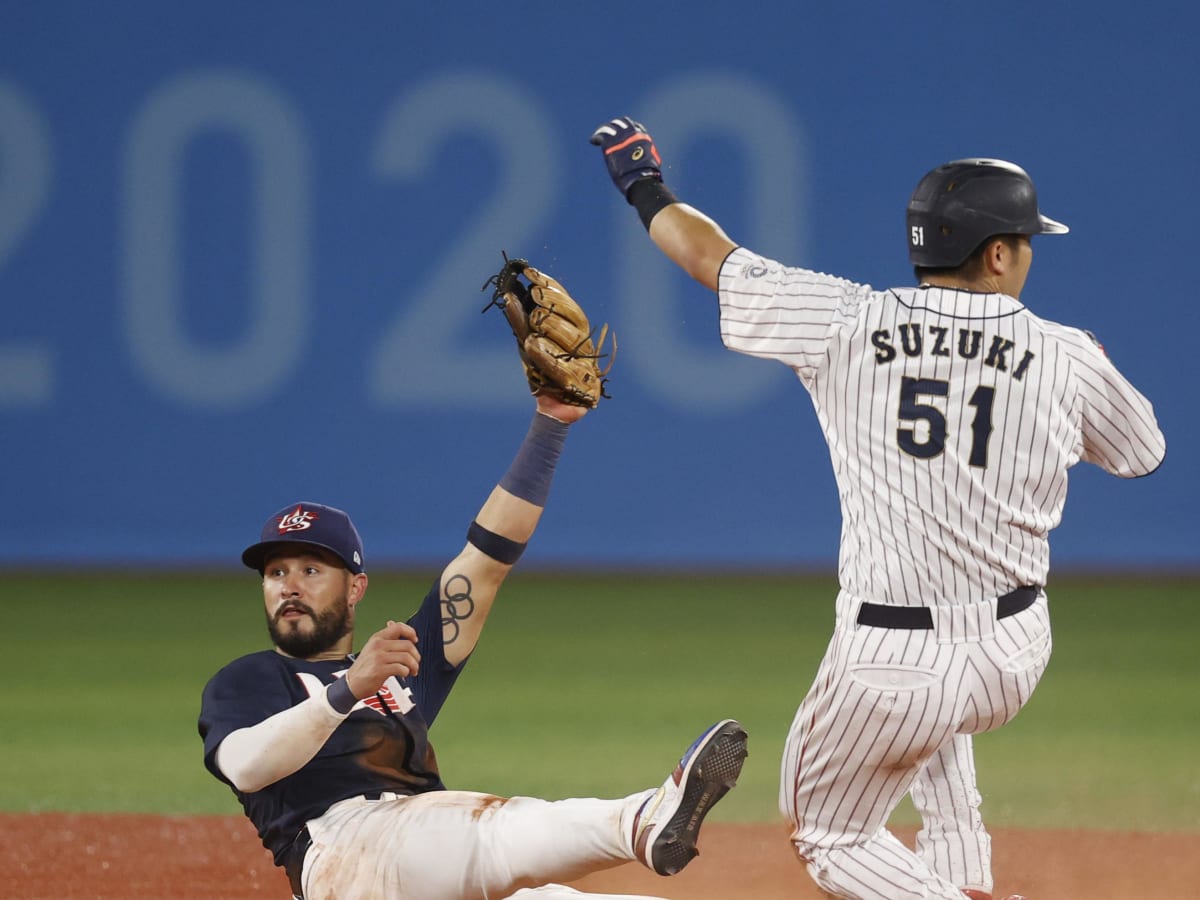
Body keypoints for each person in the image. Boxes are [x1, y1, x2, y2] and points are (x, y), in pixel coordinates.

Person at [590, 117, 1166, 900]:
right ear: (998, 254)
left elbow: (711, 261)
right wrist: (1078, 365)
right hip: (1014, 651)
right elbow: (1141, 452)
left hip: (893, 661)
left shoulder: (848, 319)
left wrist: (642, 184)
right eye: (1027, 240)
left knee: (827, 835)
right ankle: (965, 870)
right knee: (935, 726)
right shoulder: (1064, 353)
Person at [198, 386, 749, 900]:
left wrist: (551, 425)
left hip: (429, 859)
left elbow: (484, 561)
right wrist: (347, 690)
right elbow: (245, 767)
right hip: (344, 855)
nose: (289, 586)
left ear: (356, 587)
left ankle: (642, 824)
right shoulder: (247, 679)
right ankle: (640, 821)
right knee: (489, 830)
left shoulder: (398, 662)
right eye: (276, 573)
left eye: (311, 569)